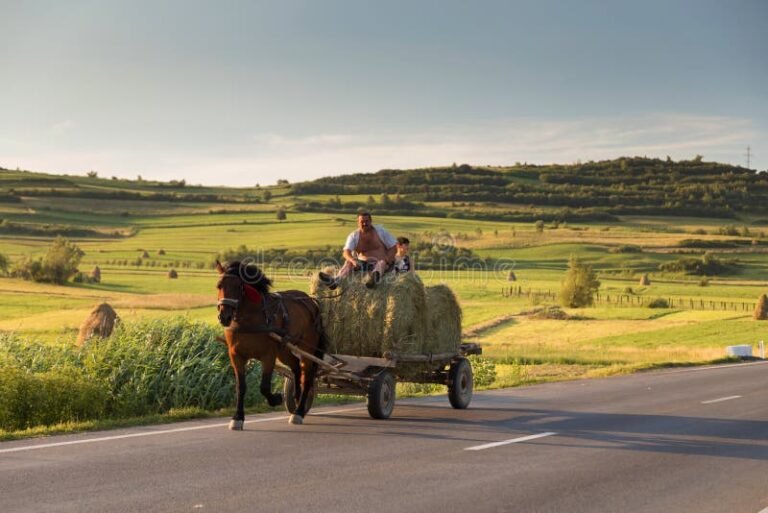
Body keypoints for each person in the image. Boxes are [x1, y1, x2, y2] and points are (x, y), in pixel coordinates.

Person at [319, 212, 396, 289]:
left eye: (367, 221)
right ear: (358, 223)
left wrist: (387, 259)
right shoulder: (353, 236)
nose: (365, 224)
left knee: (381, 263)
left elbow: (393, 247)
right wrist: (353, 261)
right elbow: (346, 252)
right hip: (362, 264)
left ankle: (373, 279)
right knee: (349, 262)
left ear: (370, 221)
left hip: (379, 262)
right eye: (362, 222)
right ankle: (335, 281)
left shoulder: (381, 232)